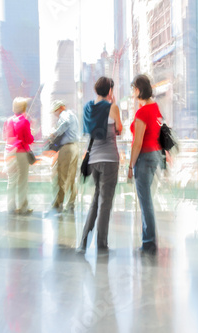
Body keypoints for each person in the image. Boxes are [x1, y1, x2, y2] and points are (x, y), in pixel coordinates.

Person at [76, 77, 122, 254]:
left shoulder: (88, 107)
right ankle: (102, 245)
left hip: (93, 160)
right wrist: (113, 104)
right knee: (105, 204)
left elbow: (90, 130)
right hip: (110, 160)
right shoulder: (112, 107)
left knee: (96, 201)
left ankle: (84, 241)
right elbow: (119, 129)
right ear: (110, 90)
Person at [127, 74, 162, 255]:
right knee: (147, 201)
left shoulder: (142, 112)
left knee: (145, 202)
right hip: (154, 155)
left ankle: (149, 243)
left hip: (144, 157)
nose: (133, 94)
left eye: (134, 90)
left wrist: (130, 165)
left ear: (138, 90)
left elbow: (137, 142)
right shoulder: (155, 108)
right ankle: (148, 240)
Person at [4, 97, 35, 215]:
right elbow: (28, 139)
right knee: (22, 180)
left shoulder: (9, 121)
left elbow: (7, 137)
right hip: (21, 153)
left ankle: (11, 207)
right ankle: (22, 207)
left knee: (11, 181)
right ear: (24, 108)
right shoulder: (24, 121)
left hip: (9, 153)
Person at [48, 100, 80, 214]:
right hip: (75, 147)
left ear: (61, 108)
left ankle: (59, 203)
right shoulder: (73, 115)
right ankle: (71, 203)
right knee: (71, 176)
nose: (55, 114)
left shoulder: (65, 114)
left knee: (61, 176)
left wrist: (54, 133)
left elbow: (64, 123)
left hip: (66, 148)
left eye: (56, 111)